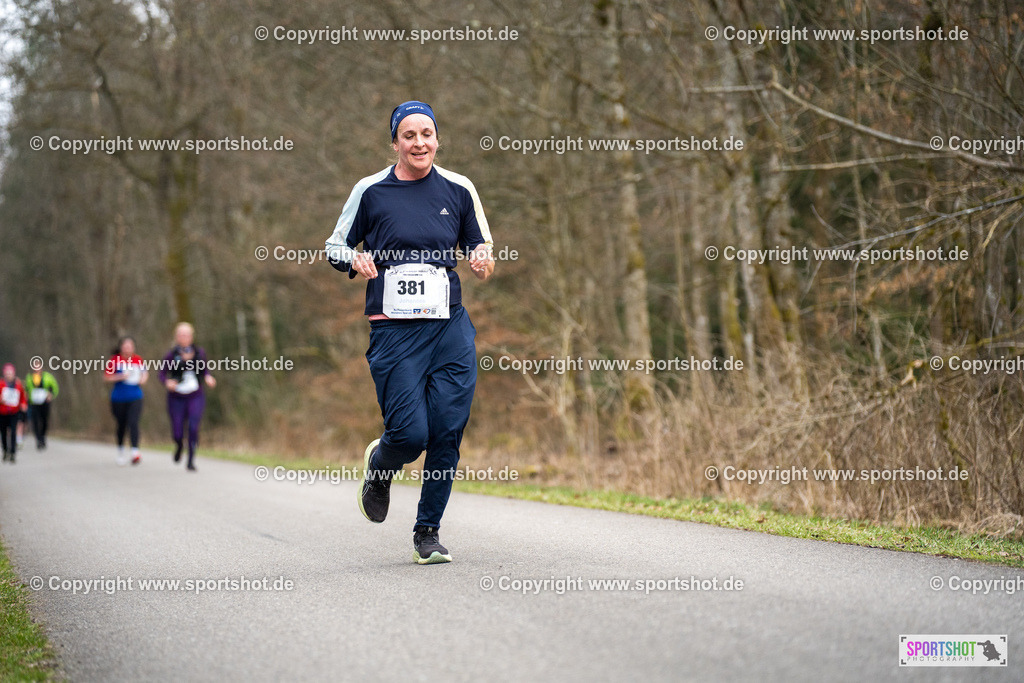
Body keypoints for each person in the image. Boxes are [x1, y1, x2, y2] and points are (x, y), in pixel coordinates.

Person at [325, 100, 495, 564]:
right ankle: (381, 466)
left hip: (449, 329)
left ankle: (428, 533)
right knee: (410, 434)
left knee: (446, 431)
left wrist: (482, 262)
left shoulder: (459, 190)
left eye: (427, 134)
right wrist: (353, 259)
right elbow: (335, 244)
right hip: (394, 333)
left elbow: (482, 249)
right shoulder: (371, 190)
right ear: (395, 142)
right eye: (409, 135)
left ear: (438, 139)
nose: (419, 143)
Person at [159, 322, 216, 472]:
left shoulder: (199, 353)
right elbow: (162, 374)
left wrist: (208, 378)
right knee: (177, 430)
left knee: (193, 426)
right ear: (176, 337)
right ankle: (178, 444)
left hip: (195, 396)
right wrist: (167, 382)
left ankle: (191, 460)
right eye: (181, 335)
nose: (184, 337)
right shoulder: (171, 355)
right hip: (176, 397)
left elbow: (205, 370)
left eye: (186, 335)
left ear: (191, 337)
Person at [104, 337, 148, 465]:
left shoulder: (137, 359)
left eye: (131, 345)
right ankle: (120, 451)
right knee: (121, 425)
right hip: (118, 398)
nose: (128, 348)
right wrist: (120, 376)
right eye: (126, 345)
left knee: (133, 422)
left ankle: (135, 451)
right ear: (121, 347)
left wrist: (143, 379)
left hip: (135, 396)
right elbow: (106, 377)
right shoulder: (115, 360)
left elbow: (145, 373)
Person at [24, 368, 59, 449]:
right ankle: (38, 439)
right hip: (33, 403)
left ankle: (43, 437)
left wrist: (51, 395)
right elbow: (25, 389)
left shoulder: (47, 376)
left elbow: (55, 387)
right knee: (35, 421)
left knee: (44, 420)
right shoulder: (29, 377)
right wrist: (26, 396)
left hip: (44, 402)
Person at [0, 363, 29, 463]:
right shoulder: (1, 384)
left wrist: (24, 405)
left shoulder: (18, 385)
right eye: (7, 373)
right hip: (2, 413)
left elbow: (23, 398)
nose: (9, 375)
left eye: (10, 373)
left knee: (13, 432)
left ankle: (12, 452)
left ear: (13, 374)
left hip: (14, 412)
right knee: (3, 433)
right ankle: (5, 450)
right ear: (4, 374)